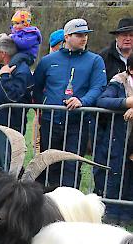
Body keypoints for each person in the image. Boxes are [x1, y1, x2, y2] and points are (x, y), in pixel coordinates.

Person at [33, 18, 107, 188]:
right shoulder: (48, 60)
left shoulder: (95, 60)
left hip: (78, 122)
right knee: (48, 164)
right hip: (51, 121)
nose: (84, 38)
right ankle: (47, 205)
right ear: (66, 37)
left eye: (86, 35)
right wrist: (41, 107)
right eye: (79, 35)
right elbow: (36, 86)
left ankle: (68, 207)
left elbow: (98, 86)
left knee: (72, 167)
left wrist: (82, 101)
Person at [93, 18, 133, 196]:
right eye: (124, 34)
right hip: (107, 121)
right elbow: (101, 93)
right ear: (116, 37)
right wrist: (125, 104)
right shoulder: (103, 57)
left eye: (132, 35)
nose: (128, 38)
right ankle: (105, 202)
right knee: (105, 165)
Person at [0, 35, 32, 169]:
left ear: (3, 53)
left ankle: (10, 189)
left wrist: (5, 76)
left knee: (7, 164)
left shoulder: (21, 70)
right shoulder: (1, 67)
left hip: (10, 126)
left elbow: (13, 96)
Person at [95, 53, 133, 225]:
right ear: (130, 70)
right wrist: (126, 102)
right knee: (116, 175)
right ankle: (110, 216)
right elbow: (103, 100)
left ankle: (127, 217)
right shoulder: (119, 81)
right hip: (120, 137)